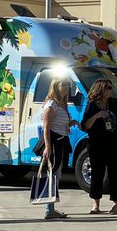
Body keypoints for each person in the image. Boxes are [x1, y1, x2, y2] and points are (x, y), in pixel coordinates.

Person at [81, 80, 117, 215]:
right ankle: (96, 204)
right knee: (97, 173)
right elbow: (85, 125)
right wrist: (97, 115)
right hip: (96, 143)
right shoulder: (92, 105)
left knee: (115, 173)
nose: (111, 90)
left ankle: (116, 204)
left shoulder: (114, 103)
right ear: (100, 90)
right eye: (108, 88)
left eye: (111, 88)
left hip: (114, 142)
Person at [39, 78, 76, 220]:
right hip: (54, 143)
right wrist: (48, 147)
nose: (66, 88)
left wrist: (71, 123)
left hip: (62, 141)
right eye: (63, 85)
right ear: (55, 86)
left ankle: (51, 208)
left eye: (67, 85)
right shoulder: (51, 104)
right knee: (52, 175)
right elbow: (46, 127)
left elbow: (58, 123)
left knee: (56, 174)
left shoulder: (62, 104)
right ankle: (49, 209)